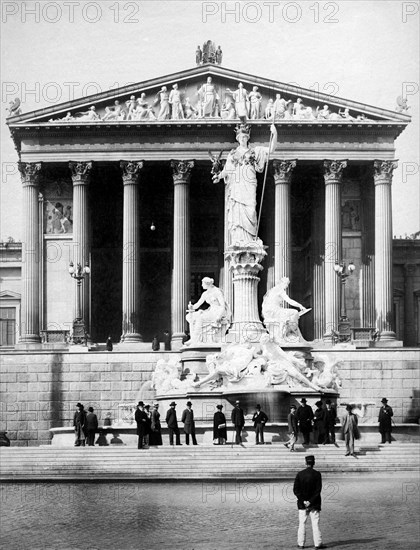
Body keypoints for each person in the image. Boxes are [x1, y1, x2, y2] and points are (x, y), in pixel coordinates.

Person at [213, 123, 277, 245]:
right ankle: (239, 241)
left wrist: (274, 133)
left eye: (245, 137)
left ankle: (250, 240)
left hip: (249, 184)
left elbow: (271, 149)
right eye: (241, 137)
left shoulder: (255, 151)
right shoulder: (233, 154)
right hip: (237, 186)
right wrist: (219, 176)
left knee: (251, 210)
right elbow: (227, 170)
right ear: (238, 139)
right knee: (237, 211)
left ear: (248, 138)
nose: (243, 139)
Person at [293, 455, 326, 550]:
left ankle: (301, 543)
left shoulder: (300, 474)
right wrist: (310, 501)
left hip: (302, 504)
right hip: (314, 503)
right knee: (315, 524)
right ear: (314, 463)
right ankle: (318, 544)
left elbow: (296, 490)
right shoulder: (317, 474)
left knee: (302, 524)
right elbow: (318, 490)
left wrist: (304, 500)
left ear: (305, 463)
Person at [186, 277, 230, 345]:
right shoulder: (205, 294)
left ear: (207, 284)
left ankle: (194, 339)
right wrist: (192, 307)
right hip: (211, 311)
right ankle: (193, 338)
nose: (201, 285)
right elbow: (198, 304)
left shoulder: (217, 292)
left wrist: (219, 316)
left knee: (200, 318)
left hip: (218, 312)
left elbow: (223, 306)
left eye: (203, 283)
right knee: (190, 316)